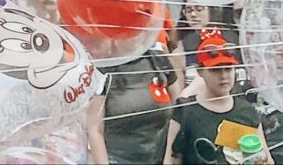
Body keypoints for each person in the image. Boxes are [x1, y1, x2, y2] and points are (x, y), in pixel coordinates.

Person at [164, 30, 267, 165]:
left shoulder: (247, 112)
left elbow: (266, 159)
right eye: (215, 69)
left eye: (228, 68)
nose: (223, 76)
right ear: (200, 71)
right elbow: (171, 160)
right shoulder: (185, 111)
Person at [88, 46, 182, 164]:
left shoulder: (158, 60)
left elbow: (179, 111)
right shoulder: (101, 69)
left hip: (161, 158)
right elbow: (95, 130)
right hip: (117, 159)